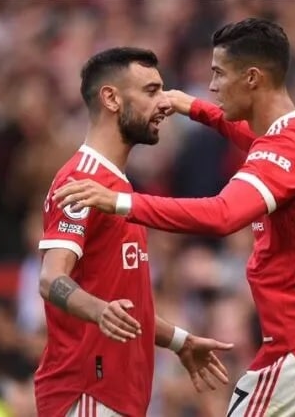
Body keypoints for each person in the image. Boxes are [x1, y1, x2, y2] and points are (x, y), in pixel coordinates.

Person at [54, 19, 295, 416]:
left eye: (218, 74)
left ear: (252, 78)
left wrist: (121, 202)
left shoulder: (284, 151)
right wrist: (193, 108)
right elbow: (256, 140)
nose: (211, 86)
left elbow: (223, 215)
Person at [37, 47, 233, 417]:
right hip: (88, 392)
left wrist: (179, 341)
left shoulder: (117, 188)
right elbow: (50, 279)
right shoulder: (81, 180)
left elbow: (123, 305)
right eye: (151, 91)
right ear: (111, 98)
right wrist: (99, 310)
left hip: (118, 395)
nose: (164, 104)